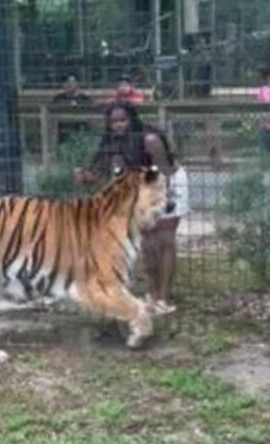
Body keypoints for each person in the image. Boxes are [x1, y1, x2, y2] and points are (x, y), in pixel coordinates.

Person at [74, 101, 189, 306]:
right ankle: (153, 293)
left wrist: (162, 200)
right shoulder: (112, 143)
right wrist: (87, 177)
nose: (118, 125)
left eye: (123, 120)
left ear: (132, 119)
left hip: (168, 181)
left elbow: (165, 171)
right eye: (113, 122)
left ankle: (163, 298)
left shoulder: (150, 139)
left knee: (164, 239)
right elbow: (110, 181)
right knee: (147, 242)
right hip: (141, 186)